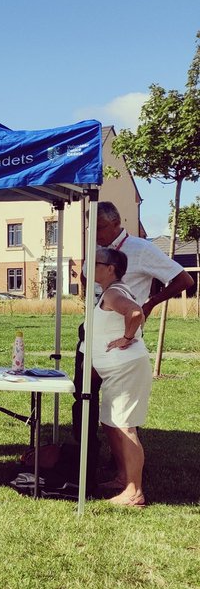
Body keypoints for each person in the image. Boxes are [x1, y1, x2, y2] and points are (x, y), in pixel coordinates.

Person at [73, 201, 194, 486]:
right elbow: (85, 278)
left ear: (117, 223)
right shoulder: (96, 250)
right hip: (92, 334)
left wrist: (149, 303)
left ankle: (126, 471)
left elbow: (184, 279)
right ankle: (86, 456)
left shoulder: (141, 249)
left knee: (121, 409)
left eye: (101, 227)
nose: (96, 234)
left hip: (121, 340)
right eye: (92, 228)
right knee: (84, 396)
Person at [90, 246, 153, 507]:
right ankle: (123, 478)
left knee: (125, 426)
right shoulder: (112, 291)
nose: (90, 266)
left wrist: (126, 338)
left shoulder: (113, 293)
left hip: (125, 369)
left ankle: (134, 492)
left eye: (96, 263)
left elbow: (135, 312)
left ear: (110, 269)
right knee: (111, 423)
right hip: (117, 370)